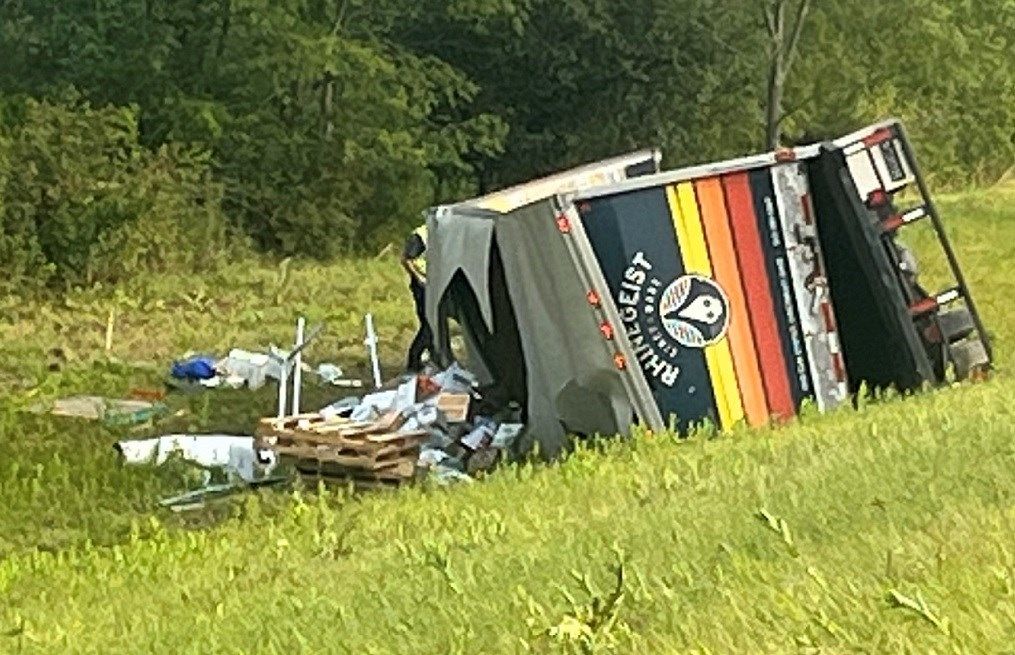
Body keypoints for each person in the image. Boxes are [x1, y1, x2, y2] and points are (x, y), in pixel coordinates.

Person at [401, 222, 433, 372]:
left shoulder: (437, 234)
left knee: (434, 325)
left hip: (433, 284)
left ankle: (435, 358)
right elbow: (406, 259)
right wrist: (419, 277)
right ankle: (413, 361)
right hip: (422, 285)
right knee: (429, 326)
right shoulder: (421, 236)